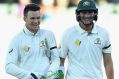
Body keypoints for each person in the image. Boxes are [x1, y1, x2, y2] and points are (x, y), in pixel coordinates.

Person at [60, 0, 114, 79]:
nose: (87, 16)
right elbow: (61, 61)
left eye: (90, 12)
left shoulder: (103, 33)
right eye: (84, 12)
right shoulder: (68, 34)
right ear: (77, 14)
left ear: (95, 13)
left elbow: (108, 62)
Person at [5, 3, 61, 79]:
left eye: (38, 18)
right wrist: (31, 75)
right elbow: (9, 66)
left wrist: (49, 74)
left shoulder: (49, 34)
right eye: (32, 18)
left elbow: (55, 58)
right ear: (24, 19)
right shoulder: (16, 40)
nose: (36, 21)